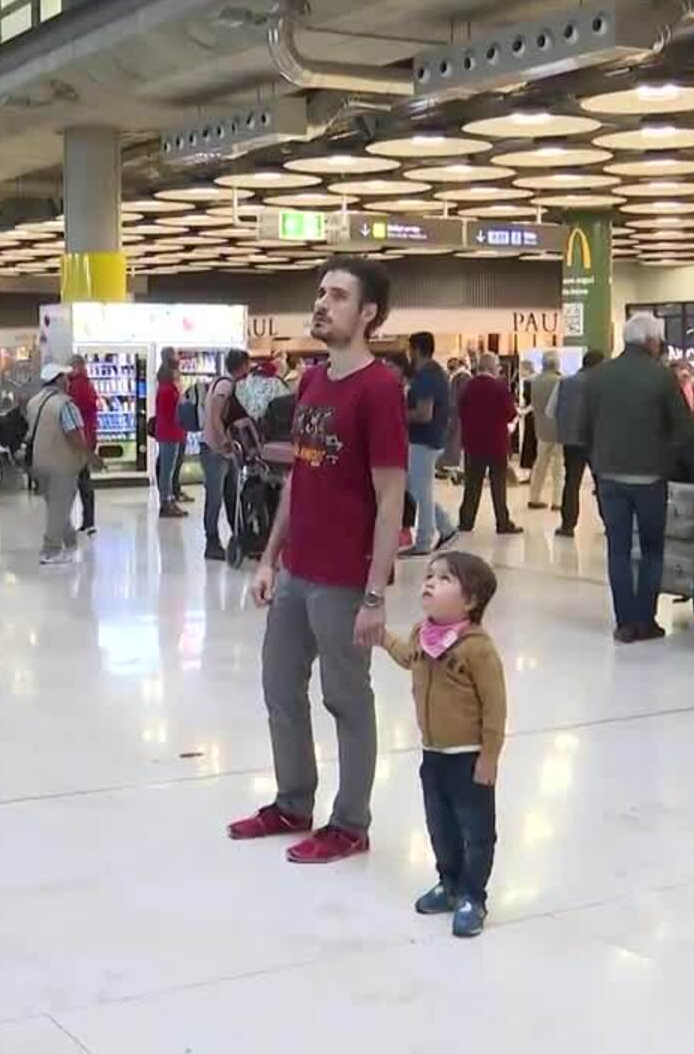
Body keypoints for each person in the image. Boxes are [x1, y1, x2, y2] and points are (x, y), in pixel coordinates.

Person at [229, 257, 408, 865]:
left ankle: (351, 822)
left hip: (344, 579)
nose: (322, 303)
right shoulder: (309, 383)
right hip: (296, 570)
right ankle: (293, 801)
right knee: (280, 685)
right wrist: (269, 557)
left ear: (368, 313)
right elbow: (297, 481)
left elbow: (390, 499)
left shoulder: (379, 389)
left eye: (337, 295)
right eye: (321, 292)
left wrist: (375, 594)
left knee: (346, 698)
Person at [381, 551, 505, 939]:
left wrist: (490, 756)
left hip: (468, 759)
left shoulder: (477, 649)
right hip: (432, 755)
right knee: (440, 826)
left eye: (444, 579)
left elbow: (495, 708)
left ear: (469, 601)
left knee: (476, 830)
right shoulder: (423, 633)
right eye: (429, 576)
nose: (429, 583)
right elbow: (410, 657)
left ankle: (473, 895)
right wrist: (383, 639)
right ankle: (448, 882)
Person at [584, 312, 694, 643]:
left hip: (609, 478)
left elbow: (583, 429)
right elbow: (684, 429)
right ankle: (646, 619)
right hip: (649, 478)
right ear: (650, 341)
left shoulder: (600, 375)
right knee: (651, 549)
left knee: (617, 550)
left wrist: (597, 465)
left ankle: (625, 622)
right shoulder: (661, 377)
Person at [26, 361, 92, 564]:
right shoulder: (65, 404)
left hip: (39, 462)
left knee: (56, 506)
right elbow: (73, 435)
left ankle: (71, 543)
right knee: (59, 507)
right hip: (61, 463)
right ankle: (51, 550)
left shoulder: (34, 402)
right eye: (65, 378)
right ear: (58, 380)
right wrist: (91, 456)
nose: (68, 381)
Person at [403, 331, 457, 557]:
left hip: (423, 440)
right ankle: (445, 527)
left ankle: (425, 540)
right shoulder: (435, 372)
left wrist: (397, 414)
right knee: (417, 489)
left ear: (415, 350)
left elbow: (424, 414)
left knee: (418, 492)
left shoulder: (427, 376)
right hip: (429, 439)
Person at [456, 356, 520, 536]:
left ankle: (466, 521)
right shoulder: (500, 387)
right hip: (496, 443)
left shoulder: (468, 386)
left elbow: (460, 410)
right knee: (498, 484)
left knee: (472, 485)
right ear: (492, 367)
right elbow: (510, 413)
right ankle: (502, 522)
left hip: (473, 443)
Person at [201, 349, 251, 561]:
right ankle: (211, 542)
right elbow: (214, 414)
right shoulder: (225, 385)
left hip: (224, 451)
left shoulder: (227, 384)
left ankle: (239, 538)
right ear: (243, 365)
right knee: (215, 498)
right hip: (215, 450)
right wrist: (223, 439)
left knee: (231, 495)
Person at [549, 348, 602, 537]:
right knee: (602, 482)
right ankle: (610, 523)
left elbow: (551, 411)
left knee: (571, 483)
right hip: (596, 440)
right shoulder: (602, 384)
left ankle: (567, 525)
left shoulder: (564, 383)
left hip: (570, 440)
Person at [152, 354, 189, 518]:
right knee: (168, 470)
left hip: (167, 432)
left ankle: (168, 499)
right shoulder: (169, 390)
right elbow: (175, 413)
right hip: (171, 433)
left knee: (168, 469)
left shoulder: (164, 388)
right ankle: (166, 502)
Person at [67, 355, 101, 536]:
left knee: (82, 480)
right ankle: (88, 520)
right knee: (83, 479)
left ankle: (88, 521)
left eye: (71, 366)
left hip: (81, 439)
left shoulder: (78, 385)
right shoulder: (84, 384)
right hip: (87, 438)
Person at [527, 351, 564, 511]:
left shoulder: (535, 381)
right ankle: (557, 501)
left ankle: (534, 497)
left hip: (541, 429)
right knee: (558, 467)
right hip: (559, 430)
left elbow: (534, 405)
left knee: (540, 465)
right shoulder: (560, 381)